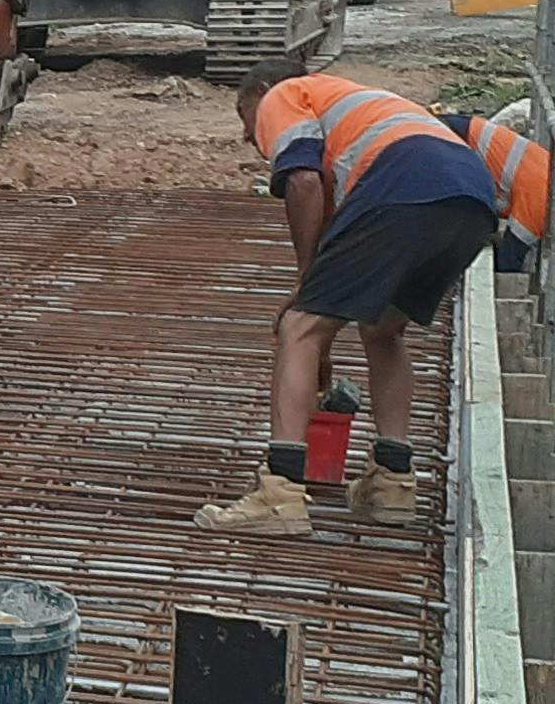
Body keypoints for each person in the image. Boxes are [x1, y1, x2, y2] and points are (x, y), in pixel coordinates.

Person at [198, 65, 502, 538]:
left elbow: (303, 183)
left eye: (244, 115)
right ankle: (393, 482)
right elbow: (345, 247)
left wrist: (305, 286)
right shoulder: (358, 107)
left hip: (403, 186)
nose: (246, 134)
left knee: (298, 327)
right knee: (382, 329)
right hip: (471, 199)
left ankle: (279, 494)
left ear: (259, 91)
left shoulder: (284, 94)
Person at [439, 100, 552, 269]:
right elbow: (511, 255)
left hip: (468, 132)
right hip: (464, 139)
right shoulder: (538, 209)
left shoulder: (550, 176)